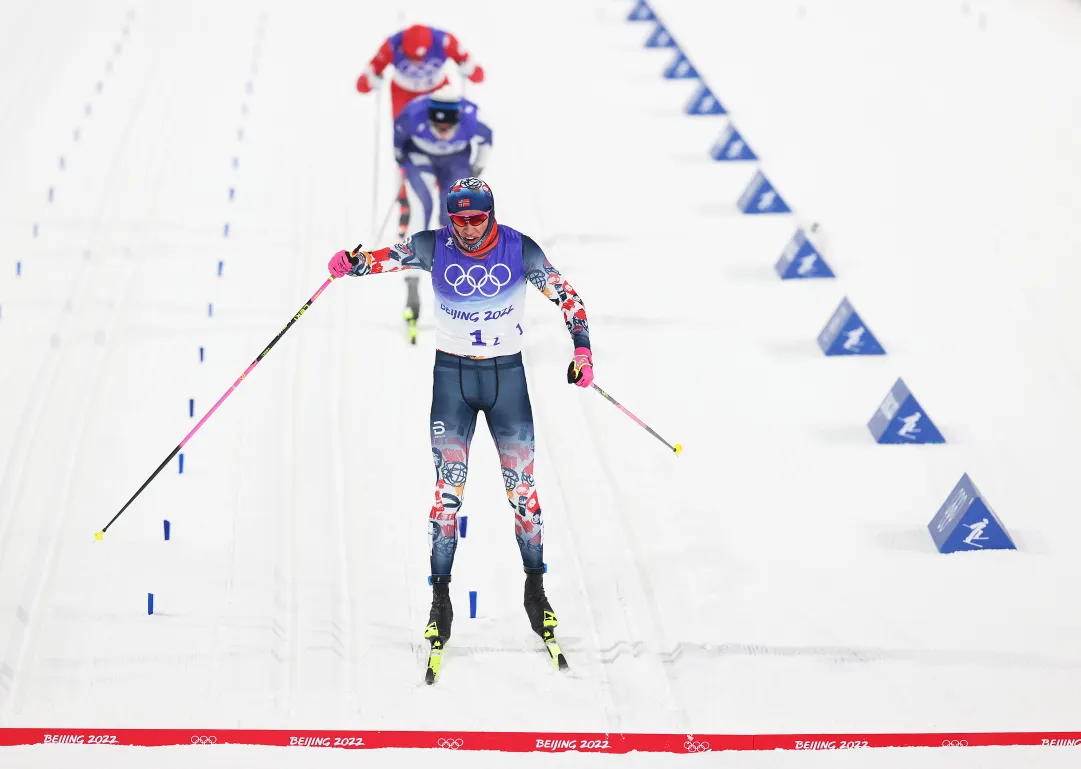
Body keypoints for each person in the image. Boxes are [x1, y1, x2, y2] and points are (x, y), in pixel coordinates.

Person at [327, 178, 592, 682]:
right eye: (459, 220)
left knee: (524, 494)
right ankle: (439, 601)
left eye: (477, 219)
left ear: (491, 215)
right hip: (453, 379)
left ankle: (535, 590)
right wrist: (351, 263)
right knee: (448, 494)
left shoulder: (520, 248)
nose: (468, 230)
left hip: (506, 380)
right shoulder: (435, 245)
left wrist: (582, 349)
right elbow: (387, 258)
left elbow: (568, 296)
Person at [356, 24, 485, 241]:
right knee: (408, 150)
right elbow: (363, 83)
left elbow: (478, 74)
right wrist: (371, 79)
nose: (417, 63)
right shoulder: (391, 44)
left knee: (443, 147)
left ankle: (442, 203)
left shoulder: (445, 41)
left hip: (438, 95)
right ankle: (407, 204)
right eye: (411, 59)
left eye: (422, 59)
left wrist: (468, 68)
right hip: (403, 96)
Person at [393, 84, 492, 342]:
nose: (443, 133)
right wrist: (400, 157)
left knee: (454, 220)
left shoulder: (471, 117)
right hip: (420, 158)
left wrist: (478, 166)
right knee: (420, 215)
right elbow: (399, 138)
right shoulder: (412, 114)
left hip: (455, 161)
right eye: (438, 128)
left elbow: (487, 139)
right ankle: (412, 293)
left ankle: (460, 289)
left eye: (449, 129)